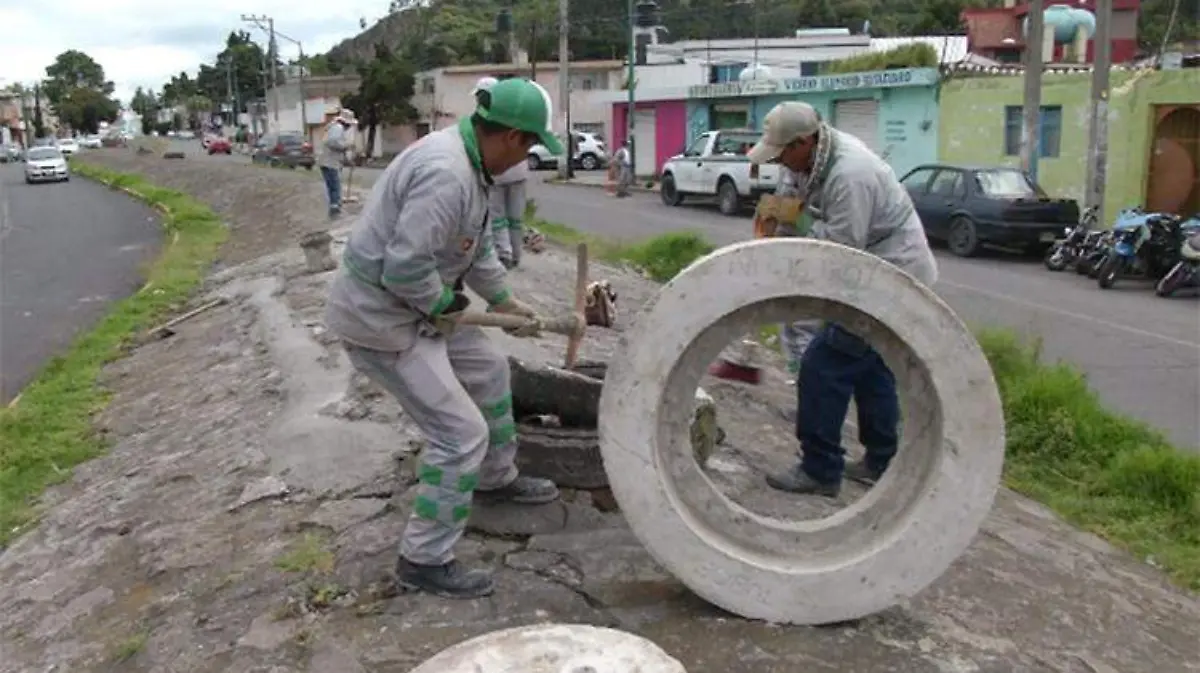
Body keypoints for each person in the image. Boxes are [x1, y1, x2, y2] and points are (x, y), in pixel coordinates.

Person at [324, 78, 565, 599]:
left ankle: (494, 480)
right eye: (530, 148)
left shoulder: (473, 166)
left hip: (418, 305)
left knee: (489, 371)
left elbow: (472, 249)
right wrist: (444, 305)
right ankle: (424, 559)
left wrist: (502, 301)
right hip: (382, 319)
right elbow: (405, 268)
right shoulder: (446, 173)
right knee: (459, 434)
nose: (526, 161)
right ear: (512, 138)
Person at [747, 101, 938, 498]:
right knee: (870, 367)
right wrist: (773, 225)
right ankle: (881, 459)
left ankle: (820, 469)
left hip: (891, 271)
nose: (781, 162)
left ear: (804, 142)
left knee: (824, 362)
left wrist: (795, 236)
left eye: (784, 153)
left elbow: (841, 252)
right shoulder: (807, 160)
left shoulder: (851, 175)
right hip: (872, 268)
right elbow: (786, 203)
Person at [473, 77, 529, 269]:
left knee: (497, 216)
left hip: (497, 172)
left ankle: (504, 253)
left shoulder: (482, 117)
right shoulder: (514, 110)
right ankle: (516, 254)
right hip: (519, 170)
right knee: (516, 217)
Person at [319, 108, 357, 219]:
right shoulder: (338, 128)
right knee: (335, 186)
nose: (349, 127)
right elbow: (333, 142)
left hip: (328, 161)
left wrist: (348, 161)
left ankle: (334, 207)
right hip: (330, 162)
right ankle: (335, 210)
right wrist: (347, 145)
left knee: (332, 186)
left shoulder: (334, 128)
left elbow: (339, 150)